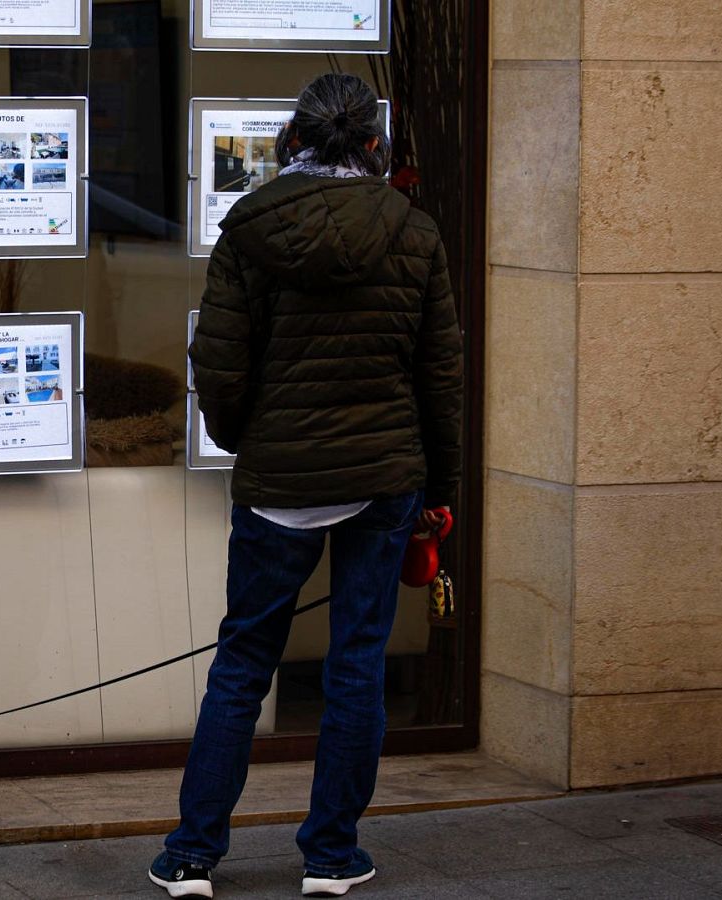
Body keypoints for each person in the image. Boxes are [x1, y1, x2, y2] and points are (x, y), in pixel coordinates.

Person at [149, 73, 462, 898]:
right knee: (355, 666)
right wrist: (443, 483)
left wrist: (246, 440)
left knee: (243, 663)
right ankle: (330, 855)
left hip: (278, 479)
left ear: (293, 139)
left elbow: (217, 365)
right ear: (372, 145)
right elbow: (441, 377)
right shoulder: (415, 232)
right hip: (384, 477)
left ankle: (191, 855)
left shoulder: (248, 229)